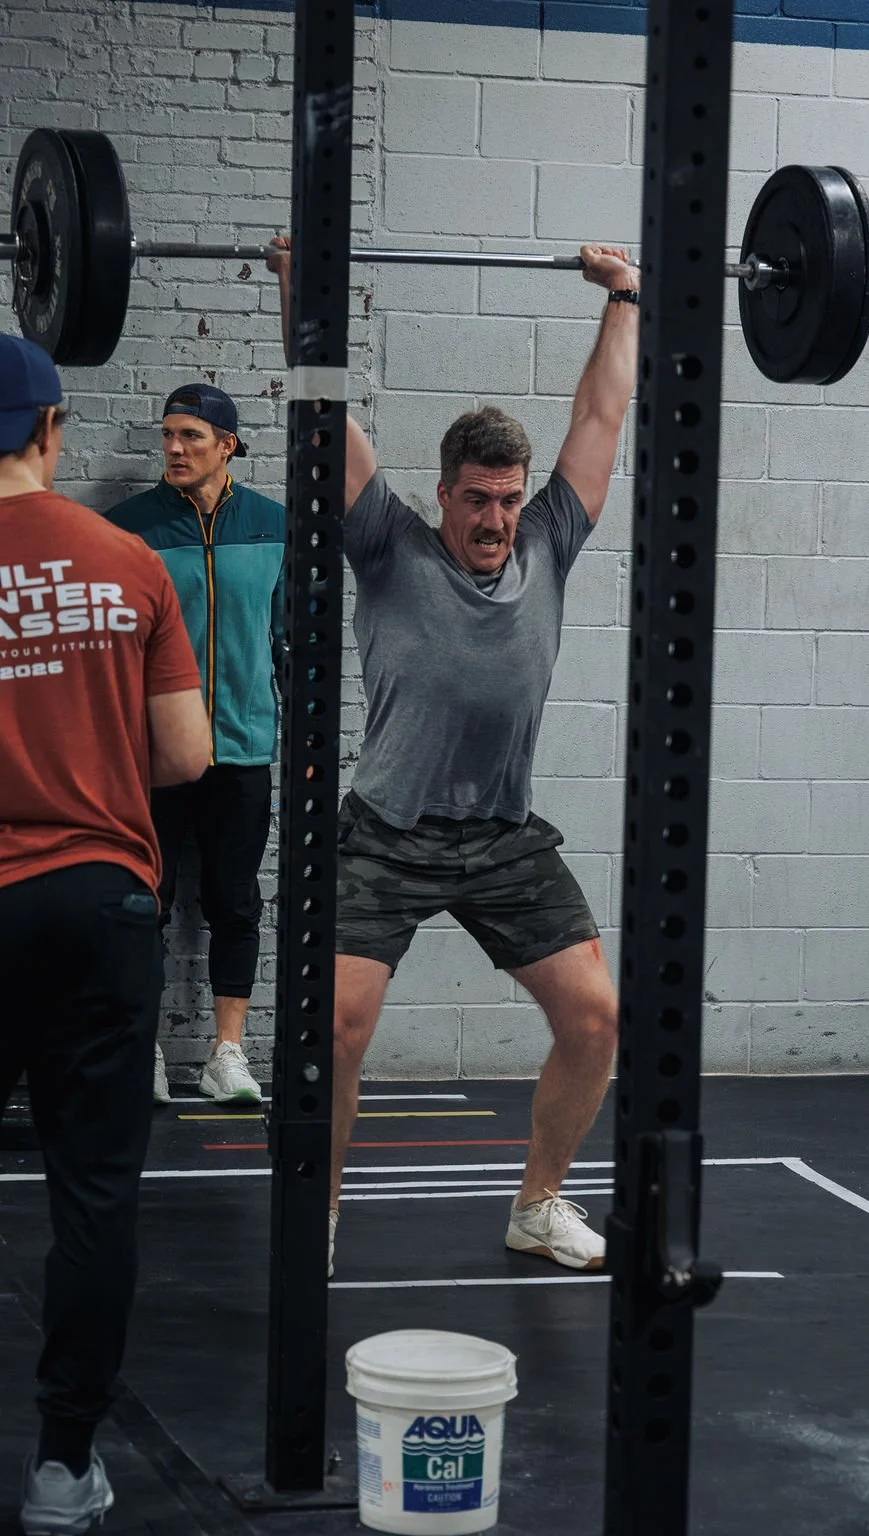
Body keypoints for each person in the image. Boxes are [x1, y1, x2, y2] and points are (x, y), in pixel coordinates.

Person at [269, 237, 638, 1275]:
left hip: (504, 837)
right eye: (478, 498)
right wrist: (305, 288)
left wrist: (624, 299)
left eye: (509, 498)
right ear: (443, 493)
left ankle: (538, 1203)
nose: (495, 518)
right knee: (336, 1023)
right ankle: (322, 1216)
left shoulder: (549, 542)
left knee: (597, 1017)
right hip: (385, 834)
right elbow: (322, 419)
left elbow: (601, 419)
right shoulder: (385, 543)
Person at [0, 335, 210, 1534]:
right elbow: (185, 756)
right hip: (99, 900)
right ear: (50, 432)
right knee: (93, 1195)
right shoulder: (128, 559)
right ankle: (61, 1472)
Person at [107, 386, 286, 1106]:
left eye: (191, 436)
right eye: (168, 436)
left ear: (228, 445)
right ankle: (144, 1049)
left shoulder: (274, 525)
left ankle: (227, 1053)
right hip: (152, 753)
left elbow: (292, 639)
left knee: (235, 902)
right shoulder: (128, 529)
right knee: (144, 899)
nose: (174, 449)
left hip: (245, 748)